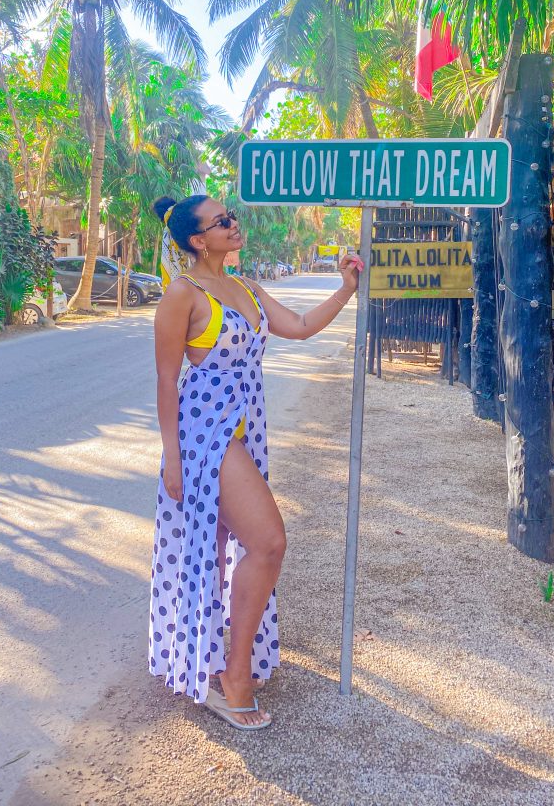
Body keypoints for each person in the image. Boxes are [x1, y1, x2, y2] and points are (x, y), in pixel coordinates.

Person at [148, 194, 363, 730]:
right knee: (267, 543)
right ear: (198, 241)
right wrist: (172, 457)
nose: (233, 224)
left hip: (244, 432)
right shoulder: (183, 295)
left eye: (231, 216)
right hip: (205, 436)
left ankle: (225, 663)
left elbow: (299, 326)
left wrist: (345, 289)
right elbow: (166, 381)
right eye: (222, 221)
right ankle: (233, 678)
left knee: (241, 547)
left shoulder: (243, 287)